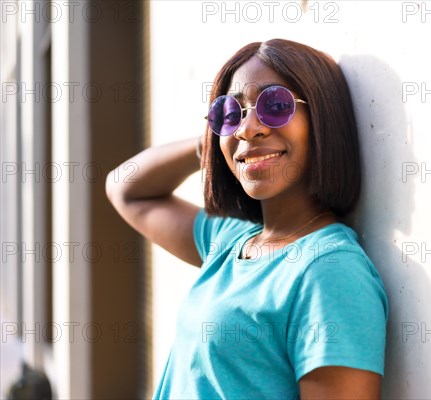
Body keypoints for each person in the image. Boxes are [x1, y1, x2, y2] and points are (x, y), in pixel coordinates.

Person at [106, 38, 388, 399]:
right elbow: (124, 188)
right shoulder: (229, 242)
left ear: (322, 117)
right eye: (231, 114)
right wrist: (212, 140)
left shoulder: (329, 270)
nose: (247, 128)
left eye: (275, 105)